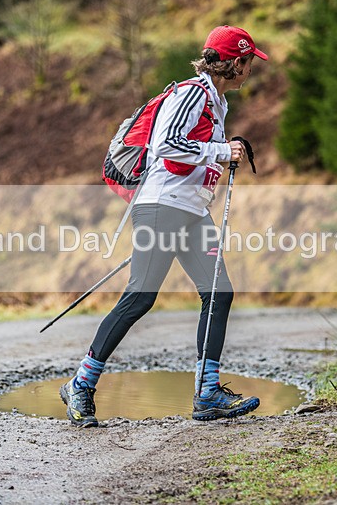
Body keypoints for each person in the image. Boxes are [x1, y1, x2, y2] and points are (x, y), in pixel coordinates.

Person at [60, 25, 268, 428]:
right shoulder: (193, 92)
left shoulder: (216, 102)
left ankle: (207, 393)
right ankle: (81, 384)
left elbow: (192, 155)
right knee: (140, 297)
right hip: (160, 207)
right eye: (248, 63)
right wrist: (222, 151)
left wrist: (219, 158)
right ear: (235, 62)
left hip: (189, 211)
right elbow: (166, 145)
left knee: (218, 292)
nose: (250, 71)